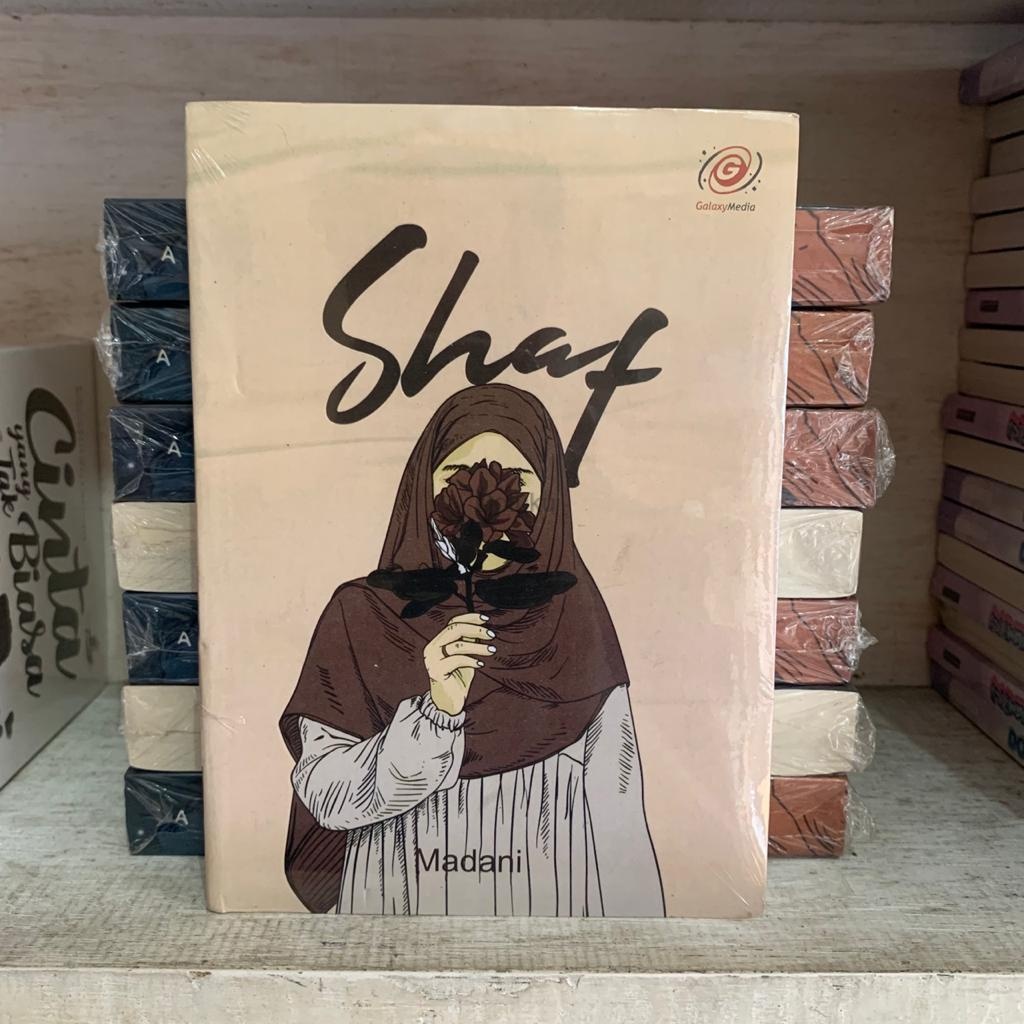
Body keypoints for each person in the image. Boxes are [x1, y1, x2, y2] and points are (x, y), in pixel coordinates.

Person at [279, 383, 664, 916]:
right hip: (396, 896)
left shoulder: (573, 619)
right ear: (423, 487)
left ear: (549, 497)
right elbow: (327, 796)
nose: (483, 495)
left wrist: (638, 938)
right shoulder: (361, 614)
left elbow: (619, 818)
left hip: (547, 897)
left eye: (517, 479)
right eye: (457, 473)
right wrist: (436, 711)